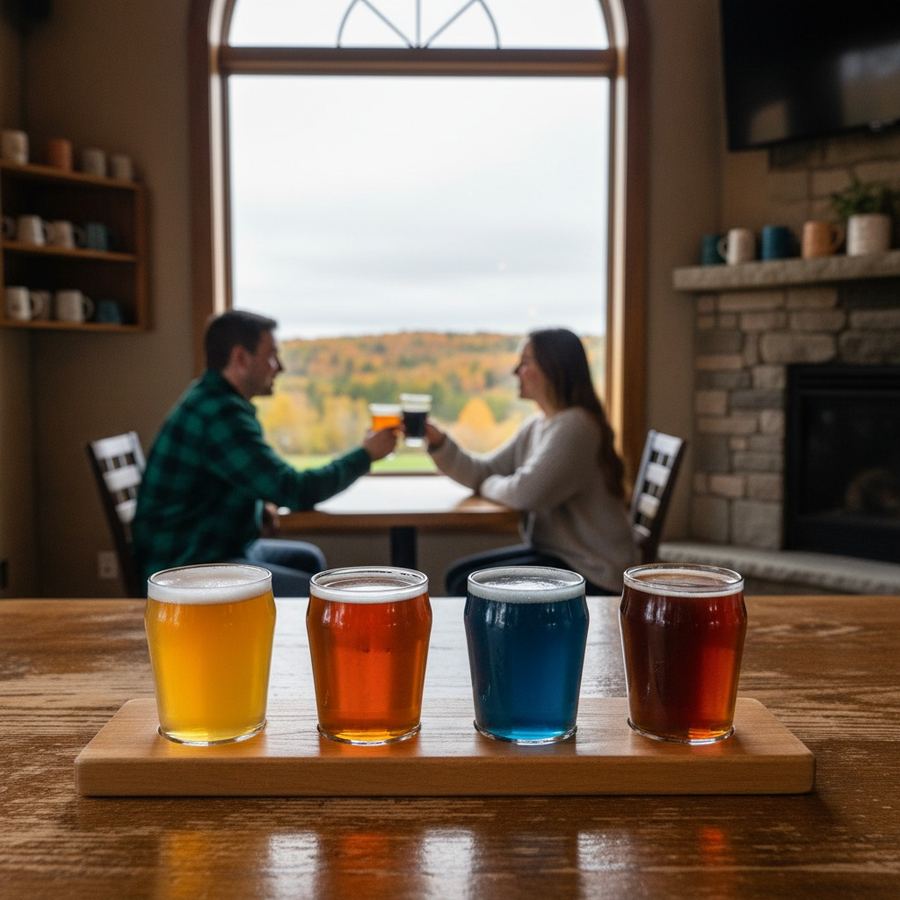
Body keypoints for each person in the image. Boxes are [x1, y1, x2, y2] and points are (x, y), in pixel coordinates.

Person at [133, 310, 397, 595]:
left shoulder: (212, 400)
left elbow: (229, 483)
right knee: (318, 594)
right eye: (271, 355)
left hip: (211, 550)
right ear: (241, 359)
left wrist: (256, 509)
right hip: (190, 570)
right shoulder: (220, 415)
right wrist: (366, 455)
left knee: (309, 559)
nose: (279, 367)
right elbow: (293, 490)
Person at [426, 327, 637, 595]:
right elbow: (485, 471)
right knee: (459, 577)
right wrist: (439, 443)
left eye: (526, 362)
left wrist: (488, 484)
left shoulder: (576, 427)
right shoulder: (539, 425)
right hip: (562, 558)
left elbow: (525, 494)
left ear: (553, 368)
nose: (516, 372)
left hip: (593, 571)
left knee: (463, 584)